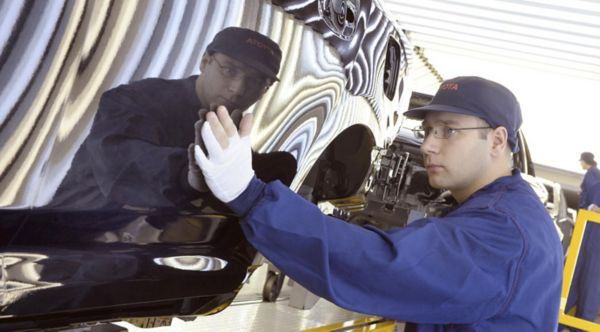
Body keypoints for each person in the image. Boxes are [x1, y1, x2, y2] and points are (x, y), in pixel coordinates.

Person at [194, 76, 563, 331]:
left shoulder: (502, 233)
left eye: (449, 129)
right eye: (428, 130)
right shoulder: (507, 209)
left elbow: (384, 265)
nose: (428, 145)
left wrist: (252, 196)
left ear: (497, 141)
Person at [49, 27, 296, 211]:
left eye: (255, 81)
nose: (238, 88)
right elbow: (123, 163)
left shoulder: (228, 134)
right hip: (73, 248)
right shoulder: (134, 100)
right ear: (205, 61)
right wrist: (188, 175)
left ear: (266, 89)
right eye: (229, 70)